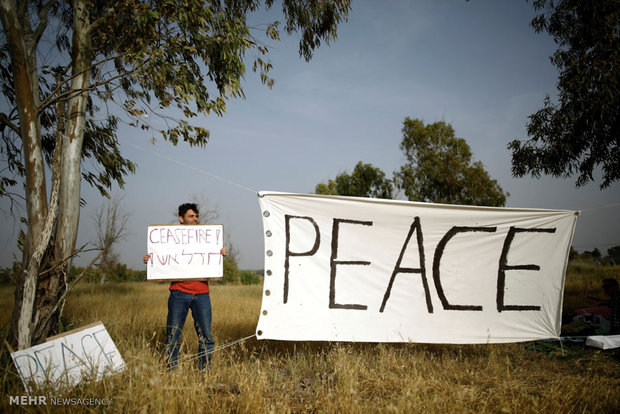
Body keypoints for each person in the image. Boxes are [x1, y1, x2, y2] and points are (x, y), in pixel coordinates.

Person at [143, 202, 227, 370]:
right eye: (191, 216)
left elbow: (210, 260)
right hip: (178, 293)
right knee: (173, 335)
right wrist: (150, 260)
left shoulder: (206, 238)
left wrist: (220, 254)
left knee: (206, 336)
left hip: (202, 294)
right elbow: (161, 257)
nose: (195, 219)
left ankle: (205, 371)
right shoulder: (170, 239)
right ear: (181, 219)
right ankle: (171, 370)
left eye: (197, 216)